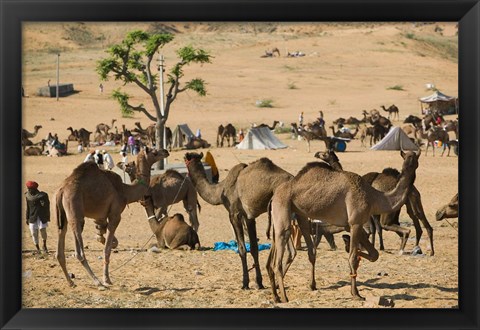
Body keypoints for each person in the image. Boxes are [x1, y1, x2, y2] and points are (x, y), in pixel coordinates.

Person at [25, 181, 50, 254]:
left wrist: (47, 216)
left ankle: (44, 245)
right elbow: (28, 208)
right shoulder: (27, 196)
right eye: (28, 188)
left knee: (43, 231)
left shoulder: (43, 195)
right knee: (33, 233)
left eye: (30, 189)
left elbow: (47, 206)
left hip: (41, 216)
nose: (29, 190)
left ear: (35, 188)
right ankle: (38, 249)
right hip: (32, 217)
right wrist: (27, 218)